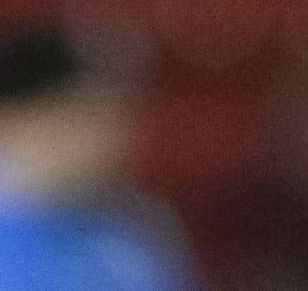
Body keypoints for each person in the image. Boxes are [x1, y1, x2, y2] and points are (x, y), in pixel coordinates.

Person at [0, 25, 197, 291]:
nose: (102, 134)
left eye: (113, 113)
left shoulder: (139, 224)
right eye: (74, 112)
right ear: (15, 114)